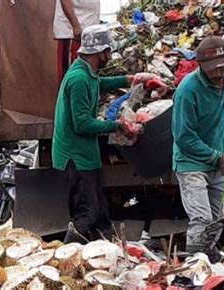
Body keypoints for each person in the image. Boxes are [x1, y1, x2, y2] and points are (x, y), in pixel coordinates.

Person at [52, 25, 156, 243]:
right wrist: (117, 125)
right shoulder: (79, 79)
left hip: (85, 156)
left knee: (101, 214)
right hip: (76, 157)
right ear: (101, 52)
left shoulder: (86, 73)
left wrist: (132, 79)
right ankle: (65, 256)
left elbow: (100, 83)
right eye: (108, 51)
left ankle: (107, 255)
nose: (110, 56)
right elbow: (81, 124)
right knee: (88, 213)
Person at [171, 36, 224, 258]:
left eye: (222, 68)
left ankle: (214, 265)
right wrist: (216, 158)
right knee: (202, 220)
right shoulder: (188, 91)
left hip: (218, 157)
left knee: (221, 218)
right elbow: (184, 138)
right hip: (191, 162)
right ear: (200, 66)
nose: (218, 73)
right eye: (211, 69)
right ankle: (195, 268)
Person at [53, 0, 100, 81]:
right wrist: (76, 26)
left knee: (86, 73)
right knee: (73, 75)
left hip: (88, 31)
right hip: (73, 33)